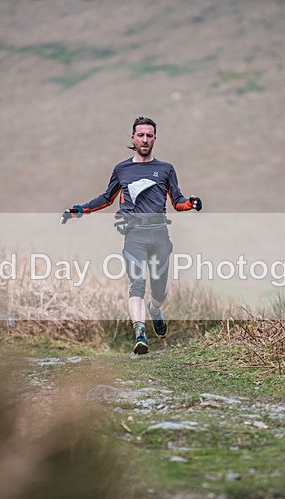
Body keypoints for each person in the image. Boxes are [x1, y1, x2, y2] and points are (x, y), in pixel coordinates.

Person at [61, 116, 202, 354]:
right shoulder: (122, 169)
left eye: (149, 135)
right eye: (141, 135)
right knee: (137, 284)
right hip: (134, 237)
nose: (145, 139)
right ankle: (140, 333)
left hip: (159, 237)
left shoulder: (166, 169)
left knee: (159, 291)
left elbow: (177, 201)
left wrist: (191, 203)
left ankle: (155, 310)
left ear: (154, 139)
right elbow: (107, 198)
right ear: (133, 138)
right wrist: (78, 210)